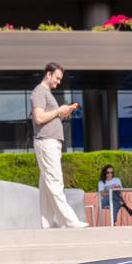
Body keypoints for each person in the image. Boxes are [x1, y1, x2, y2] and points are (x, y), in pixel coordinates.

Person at [30, 62, 86, 229]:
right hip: (46, 141)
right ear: (48, 74)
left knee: (47, 184)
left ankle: (47, 223)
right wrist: (58, 111)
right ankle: (69, 221)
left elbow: (48, 118)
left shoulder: (46, 93)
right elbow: (38, 118)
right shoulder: (39, 92)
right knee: (55, 181)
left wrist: (63, 112)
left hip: (49, 141)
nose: (58, 82)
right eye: (57, 78)